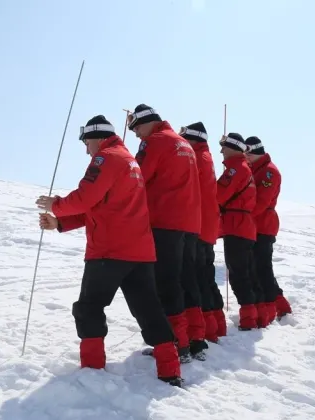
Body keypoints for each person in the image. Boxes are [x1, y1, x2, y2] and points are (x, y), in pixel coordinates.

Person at [35, 115, 183, 387]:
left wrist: (55, 205)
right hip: (138, 252)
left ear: (99, 138)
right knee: (148, 308)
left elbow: (86, 197)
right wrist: (60, 222)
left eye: (87, 142)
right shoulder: (129, 160)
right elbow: (100, 206)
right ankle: (170, 368)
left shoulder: (106, 158)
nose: (86, 149)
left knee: (89, 307)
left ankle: (92, 370)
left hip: (109, 251)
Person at [127, 104, 205, 362]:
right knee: (186, 282)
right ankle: (195, 340)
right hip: (190, 224)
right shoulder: (182, 143)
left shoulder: (155, 143)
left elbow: (137, 177)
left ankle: (176, 344)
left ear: (148, 121)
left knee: (166, 283)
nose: (137, 133)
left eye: (137, 127)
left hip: (165, 222)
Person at [179, 122, 227, 342]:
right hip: (206, 226)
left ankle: (204, 330)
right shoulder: (205, 156)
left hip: (197, 227)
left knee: (196, 280)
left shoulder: (196, 157)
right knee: (205, 279)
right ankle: (215, 326)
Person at [244, 136, 293, 326]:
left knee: (262, 268)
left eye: (246, 154)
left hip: (263, 225)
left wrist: (243, 215)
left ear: (252, 152)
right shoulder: (254, 169)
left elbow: (261, 202)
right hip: (252, 226)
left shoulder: (269, 172)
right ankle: (278, 305)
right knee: (256, 268)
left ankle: (275, 307)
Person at [216, 133, 260, 331]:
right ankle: (254, 314)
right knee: (246, 272)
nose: (221, 151)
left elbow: (219, 195)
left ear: (233, 148)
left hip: (236, 225)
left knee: (238, 274)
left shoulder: (235, 169)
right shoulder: (245, 169)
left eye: (224, 147)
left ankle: (248, 319)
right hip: (244, 225)